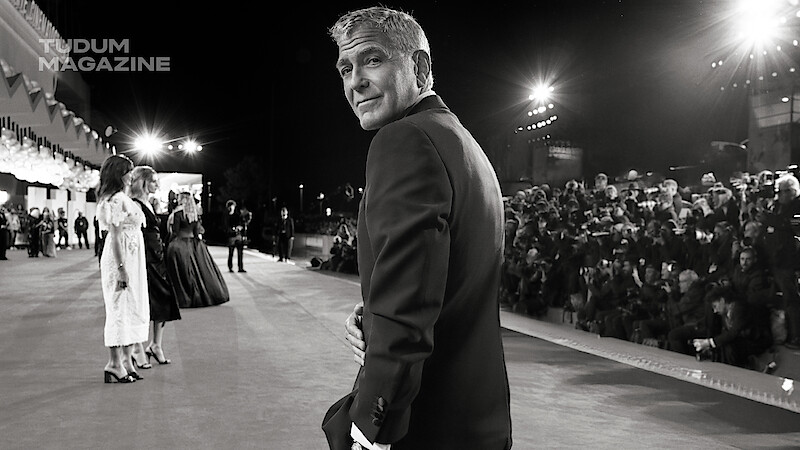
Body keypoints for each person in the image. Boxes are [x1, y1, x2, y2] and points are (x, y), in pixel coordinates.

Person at [325, 7, 512, 449]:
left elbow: (408, 312)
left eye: (372, 60)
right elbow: (436, 281)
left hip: (423, 426)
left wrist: (369, 434)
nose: (355, 82)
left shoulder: (403, 140)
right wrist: (374, 311)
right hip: (475, 419)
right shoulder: (462, 143)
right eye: (345, 68)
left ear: (420, 67)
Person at [96, 154, 148, 384]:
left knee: (130, 306)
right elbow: (115, 236)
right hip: (121, 258)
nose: (131, 174)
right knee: (119, 308)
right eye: (128, 170)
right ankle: (114, 363)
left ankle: (125, 360)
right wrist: (121, 268)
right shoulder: (116, 200)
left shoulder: (120, 197)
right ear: (119, 174)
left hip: (131, 257)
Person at [129, 166, 182, 367]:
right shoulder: (134, 204)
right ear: (143, 182)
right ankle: (137, 348)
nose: (157, 185)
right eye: (153, 181)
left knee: (163, 300)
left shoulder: (148, 203)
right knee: (144, 304)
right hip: (145, 259)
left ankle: (155, 345)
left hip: (157, 257)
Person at [166, 192, 230, 308]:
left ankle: (184, 296)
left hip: (180, 244)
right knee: (200, 271)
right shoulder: (194, 215)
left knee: (181, 272)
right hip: (195, 245)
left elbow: (175, 231)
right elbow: (196, 232)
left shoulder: (178, 214)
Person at [762, 173, 800, 349]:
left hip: (790, 263)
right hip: (777, 261)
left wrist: (769, 218)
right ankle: (784, 334)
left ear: (792, 192)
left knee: (792, 301)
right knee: (782, 301)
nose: (779, 196)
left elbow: (790, 226)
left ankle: (796, 337)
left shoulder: (797, 207)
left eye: (782, 192)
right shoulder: (779, 208)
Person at [223, 200, 246, 273]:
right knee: (231, 252)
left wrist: (240, 227)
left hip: (238, 234)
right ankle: (230, 267)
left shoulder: (237, 214)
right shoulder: (226, 215)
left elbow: (241, 222)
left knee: (240, 252)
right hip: (231, 235)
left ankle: (240, 267)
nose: (233, 207)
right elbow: (225, 225)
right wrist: (231, 229)